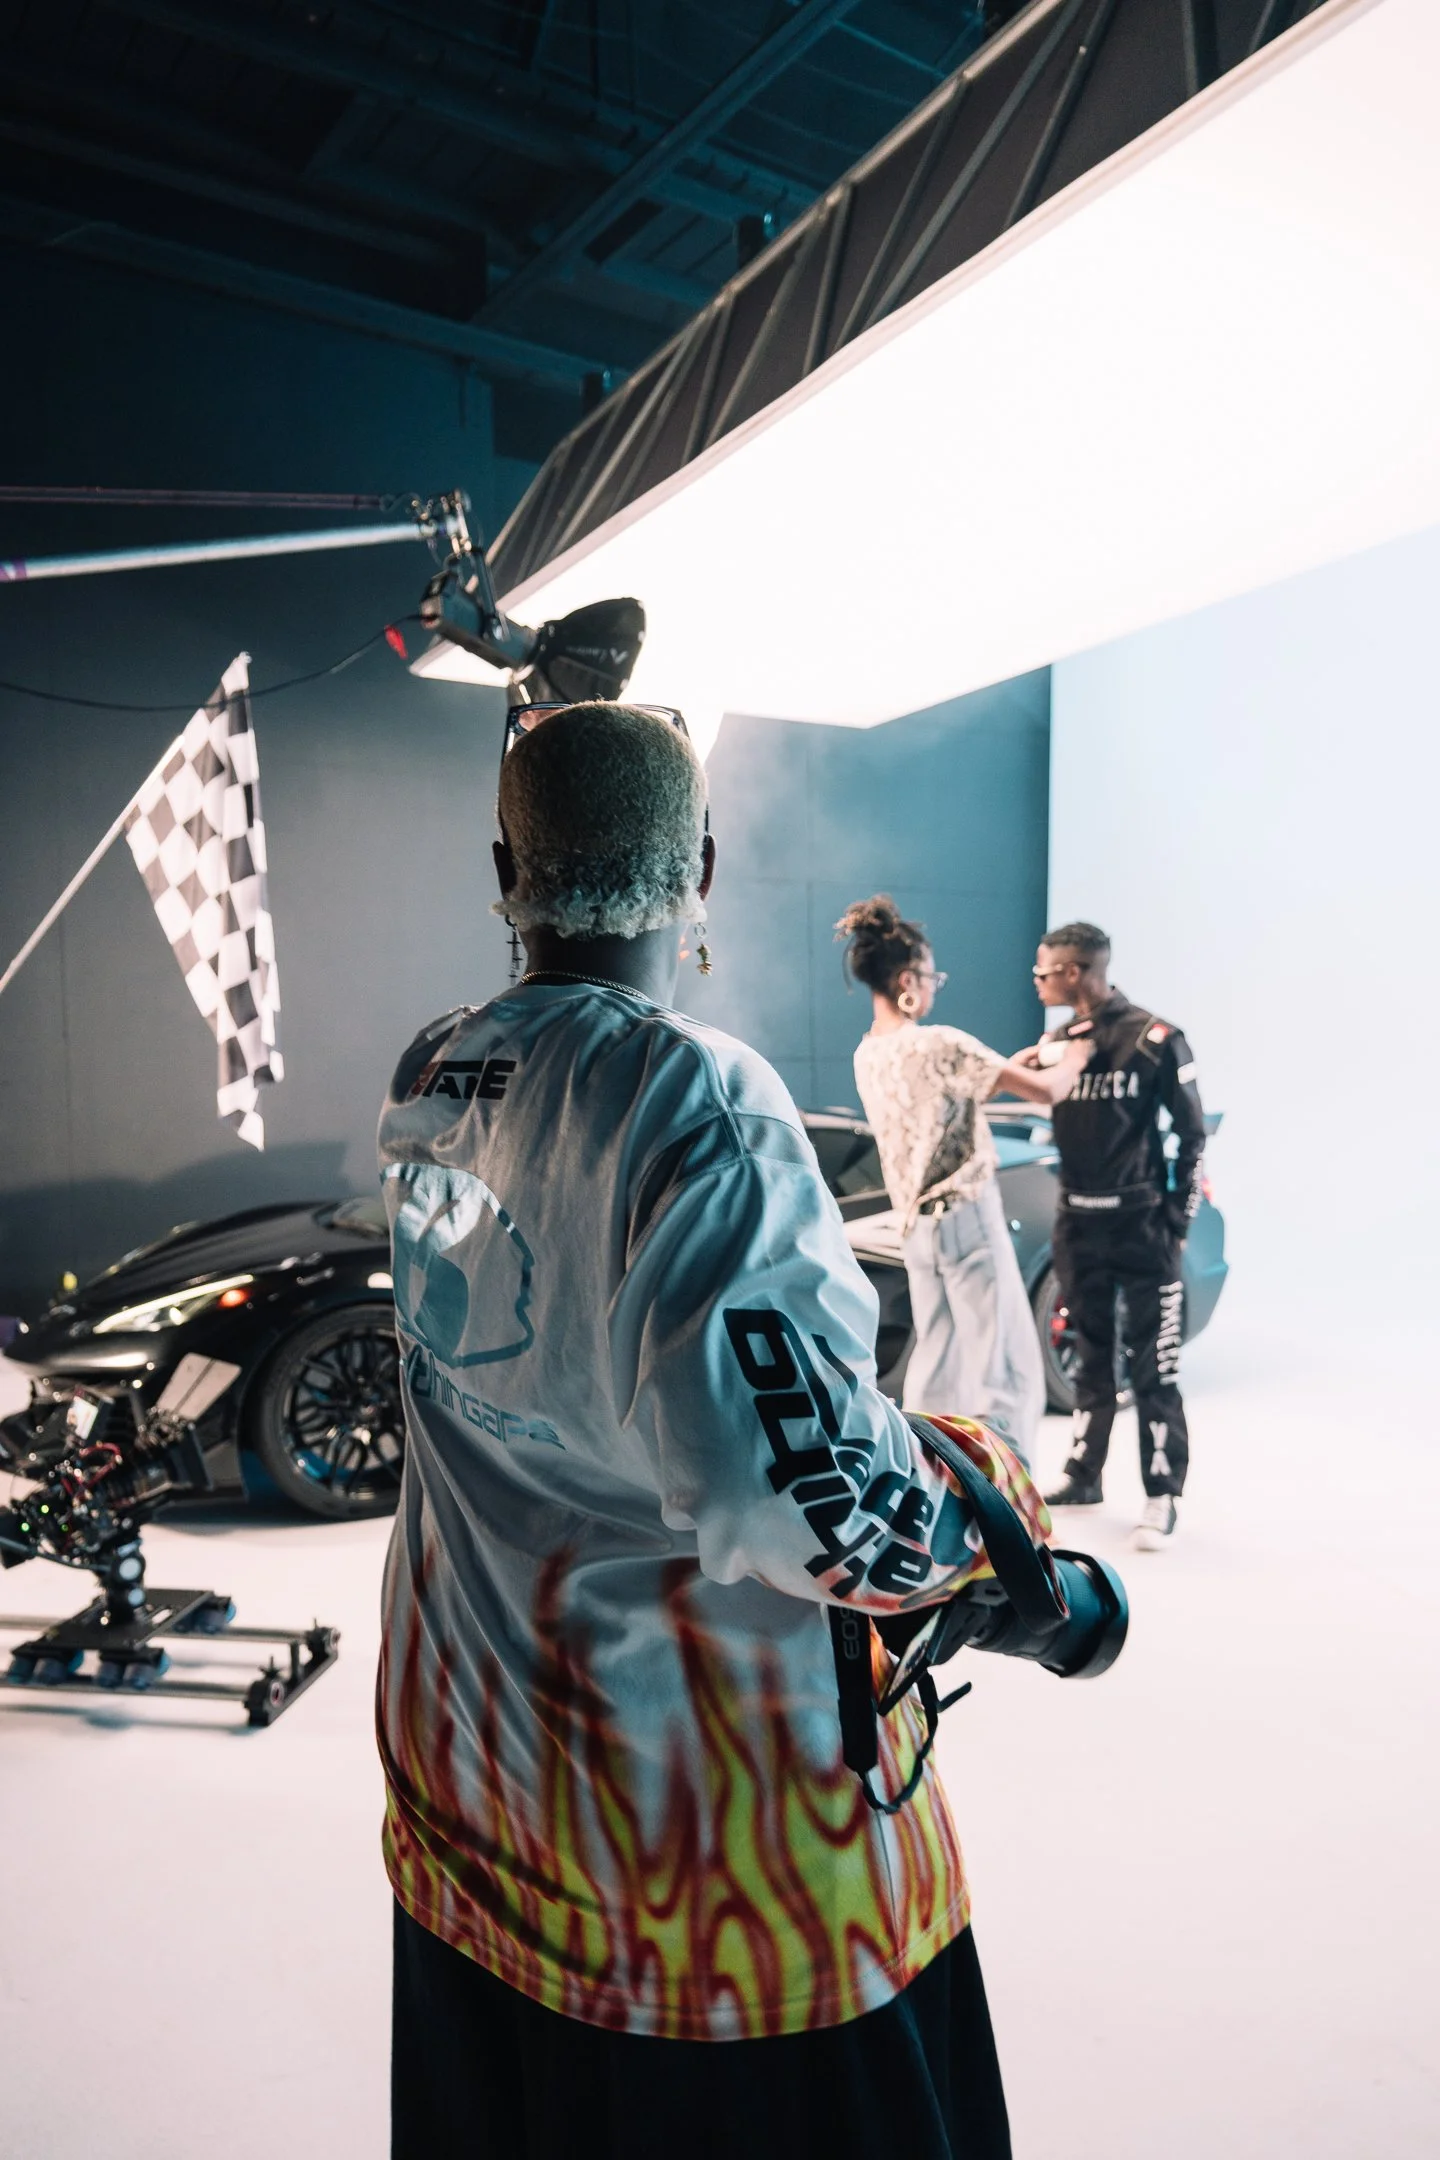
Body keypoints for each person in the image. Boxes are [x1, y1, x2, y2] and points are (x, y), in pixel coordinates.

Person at [378, 703, 1050, 2160]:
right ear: (704, 866)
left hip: (474, 1805)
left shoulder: (433, 1069)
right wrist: (1000, 1509)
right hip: (700, 1889)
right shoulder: (693, 1091)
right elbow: (814, 1503)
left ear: (504, 870)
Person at [837, 895, 1093, 1465]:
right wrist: (1077, 1055)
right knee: (1004, 1366)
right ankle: (1011, 1487)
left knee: (938, 1366)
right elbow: (1047, 1093)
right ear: (907, 980)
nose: (935, 987)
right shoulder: (941, 1042)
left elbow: (946, 1094)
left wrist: (1009, 1065)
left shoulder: (867, 1054)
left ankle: (935, 1478)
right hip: (966, 1219)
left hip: (917, 1229)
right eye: (932, 977)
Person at [1019, 921, 1207, 1550]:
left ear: (1074, 972)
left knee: (1154, 1365)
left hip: (1141, 1227)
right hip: (1078, 1227)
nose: (1037, 981)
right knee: (1090, 1355)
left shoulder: (1155, 1038)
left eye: (1044, 972)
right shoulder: (1057, 1043)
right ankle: (1084, 1475)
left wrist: (1176, 1221)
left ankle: (1162, 1493)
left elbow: (1193, 1135)